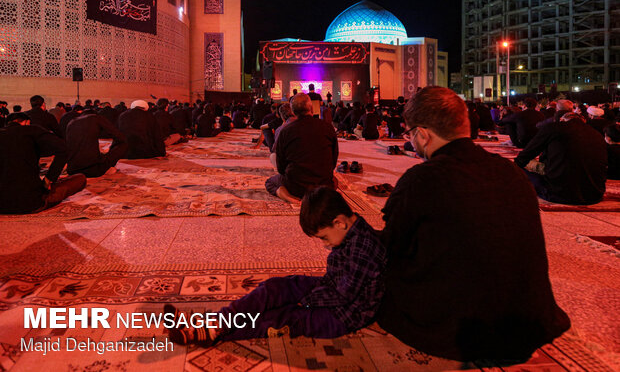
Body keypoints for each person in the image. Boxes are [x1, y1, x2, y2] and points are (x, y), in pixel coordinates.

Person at [377, 86, 570, 362]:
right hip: (529, 327)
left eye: (411, 135)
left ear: (422, 133)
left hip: (458, 334)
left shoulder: (422, 179)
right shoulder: (511, 172)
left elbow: (390, 250)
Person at [164, 187, 386, 346]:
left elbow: (343, 295)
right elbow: (334, 282)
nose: (325, 245)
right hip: (330, 289)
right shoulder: (350, 231)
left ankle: (210, 331)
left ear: (339, 222)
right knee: (276, 288)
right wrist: (305, 293)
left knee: (284, 316)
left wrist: (305, 300)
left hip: (341, 315)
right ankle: (218, 320)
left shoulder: (364, 249)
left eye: (324, 237)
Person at [0, 113, 86, 214]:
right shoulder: (31, 130)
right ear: (27, 122)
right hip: (30, 203)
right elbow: (63, 149)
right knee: (80, 178)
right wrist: (49, 178)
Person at [516, 112, 607, 205]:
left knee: (522, 171)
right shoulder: (596, 134)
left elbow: (524, 157)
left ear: (562, 120)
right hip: (595, 194)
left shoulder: (554, 127)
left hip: (559, 193)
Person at [266, 94, 338, 203]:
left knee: (270, 182)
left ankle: (288, 197)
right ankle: (320, 196)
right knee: (335, 181)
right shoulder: (328, 127)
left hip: (296, 187)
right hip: (323, 185)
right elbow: (333, 160)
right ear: (312, 108)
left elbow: (281, 168)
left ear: (293, 112)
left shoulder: (286, 131)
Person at [65, 112, 128, 178]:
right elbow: (119, 137)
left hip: (72, 170)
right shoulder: (96, 118)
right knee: (123, 143)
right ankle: (107, 166)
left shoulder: (71, 122)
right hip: (93, 170)